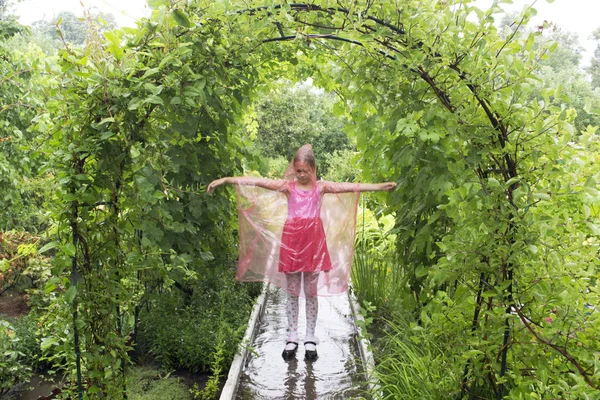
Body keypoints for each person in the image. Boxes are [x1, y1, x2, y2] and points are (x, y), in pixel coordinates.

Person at [207, 144, 395, 360]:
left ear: (313, 169)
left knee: (311, 292)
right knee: (293, 291)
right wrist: (226, 180)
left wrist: (381, 186)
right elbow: (259, 182)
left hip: (313, 243)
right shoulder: (288, 187)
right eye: (298, 171)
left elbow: (350, 186)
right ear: (293, 169)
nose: (302, 175)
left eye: (306, 170)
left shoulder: (321, 188)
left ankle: (310, 337)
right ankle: (292, 336)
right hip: (293, 242)